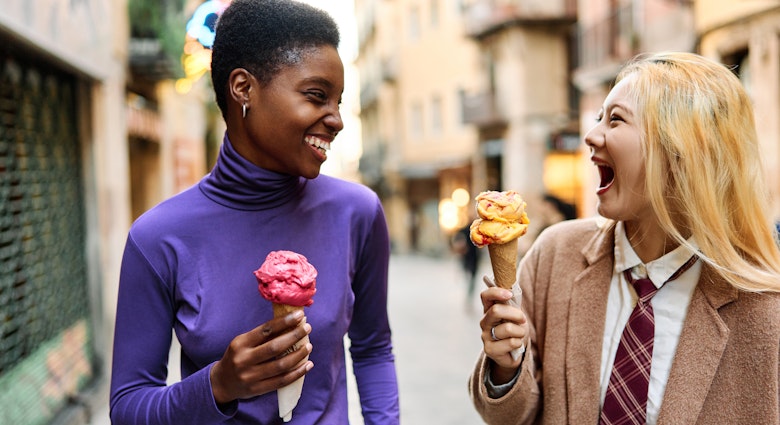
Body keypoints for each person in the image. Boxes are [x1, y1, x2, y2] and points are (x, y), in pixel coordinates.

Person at [109, 1, 400, 423]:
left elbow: (373, 349)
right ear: (243, 88)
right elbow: (128, 408)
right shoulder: (157, 238)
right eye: (317, 96)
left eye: (338, 101)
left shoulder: (357, 212)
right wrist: (219, 384)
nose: (336, 120)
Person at [469, 51, 780, 424]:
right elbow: (512, 414)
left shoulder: (764, 310)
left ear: (681, 151)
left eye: (615, 120)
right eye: (599, 116)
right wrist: (506, 367)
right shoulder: (555, 255)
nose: (590, 135)